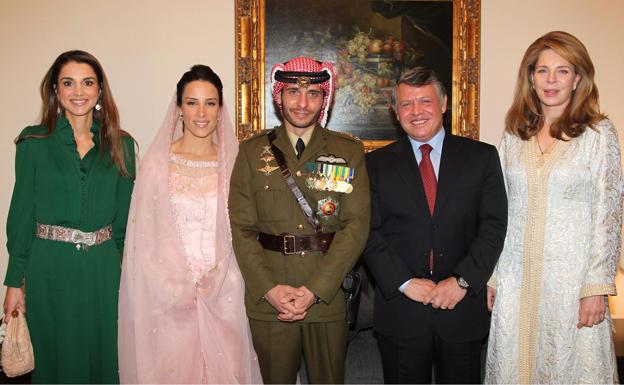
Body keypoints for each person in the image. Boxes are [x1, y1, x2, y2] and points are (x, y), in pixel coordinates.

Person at [485, 31, 622, 384]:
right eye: (542, 70)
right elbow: (500, 212)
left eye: (562, 71)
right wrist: (495, 275)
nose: (551, 80)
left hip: (572, 285)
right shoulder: (514, 136)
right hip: (516, 280)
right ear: (530, 77)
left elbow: (609, 214)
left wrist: (596, 287)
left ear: (578, 78)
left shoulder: (598, 134)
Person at [228, 56, 370, 384]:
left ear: (325, 99)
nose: (302, 103)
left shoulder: (347, 151)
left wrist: (314, 290)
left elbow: (356, 225)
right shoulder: (252, 152)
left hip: (326, 296)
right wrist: (269, 289)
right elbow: (242, 228)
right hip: (271, 299)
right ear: (279, 96)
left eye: (313, 95)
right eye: (292, 92)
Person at [117, 65, 262, 384]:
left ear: (220, 108)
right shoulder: (157, 165)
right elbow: (144, 239)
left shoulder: (235, 164)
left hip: (224, 289)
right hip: (168, 293)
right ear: (179, 107)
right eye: (192, 102)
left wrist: (222, 278)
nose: (201, 112)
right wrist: (171, 284)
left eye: (210, 103)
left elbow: (246, 229)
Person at [363, 66, 508, 384]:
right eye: (406, 104)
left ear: (443, 104)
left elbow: (493, 227)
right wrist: (404, 282)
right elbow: (368, 232)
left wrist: (463, 281)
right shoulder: (375, 165)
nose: (416, 112)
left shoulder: (482, 157)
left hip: (461, 308)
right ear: (395, 111)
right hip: (401, 310)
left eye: (425, 101)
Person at [2, 50, 135, 383]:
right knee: (54, 359)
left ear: (100, 90)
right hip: (49, 269)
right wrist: (14, 281)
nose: (79, 92)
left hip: (104, 270)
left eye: (88, 82)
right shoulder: (33, 142)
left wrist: (130, 279)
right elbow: (21, 213)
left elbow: (124, 226)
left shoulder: (122, 145)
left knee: (105, 357)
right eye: (68, 83)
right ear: (55, 91)